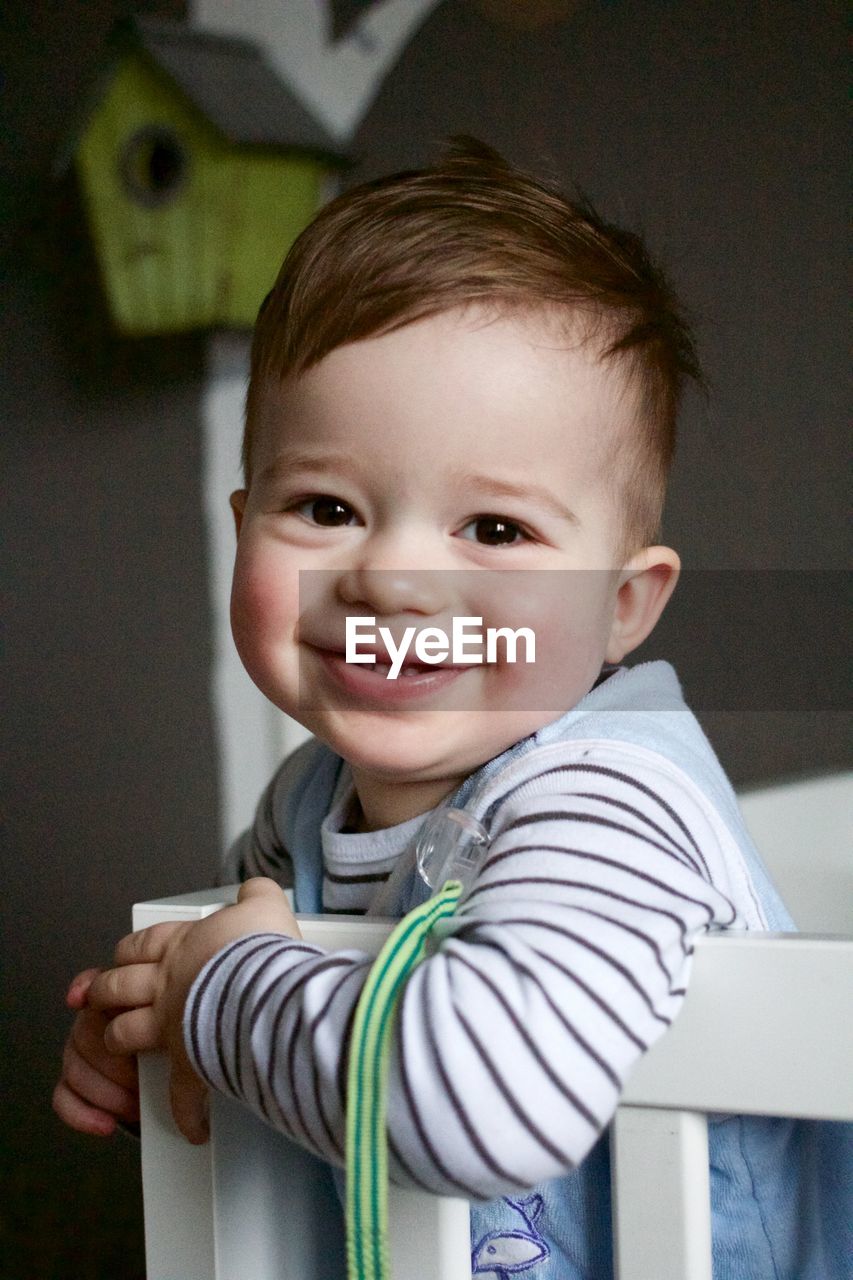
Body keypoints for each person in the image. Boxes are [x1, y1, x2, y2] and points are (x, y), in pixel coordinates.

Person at [54, 139, 838, 1278]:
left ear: (621, 606)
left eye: (497, 529)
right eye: (325, 505)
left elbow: (478, 1105)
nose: (394, 580)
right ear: (242, 526)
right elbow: (251, 973)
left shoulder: (606, 801)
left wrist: (216, 990)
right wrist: (153, 1015)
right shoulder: (305, 803)